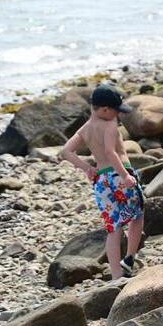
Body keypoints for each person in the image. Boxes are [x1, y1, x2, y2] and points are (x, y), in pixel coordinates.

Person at [61, 84, 144, 279]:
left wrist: (87, 168)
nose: (118, 114)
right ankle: (129, 258)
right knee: (138, 216)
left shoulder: (85, 129)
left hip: (101, 182)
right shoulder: (110, 125)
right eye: (116, 110)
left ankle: (116, 274)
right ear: (105, 110)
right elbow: (110, 152)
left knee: (113, 227)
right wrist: (125, 175)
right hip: (119, 176)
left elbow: (66, 151)